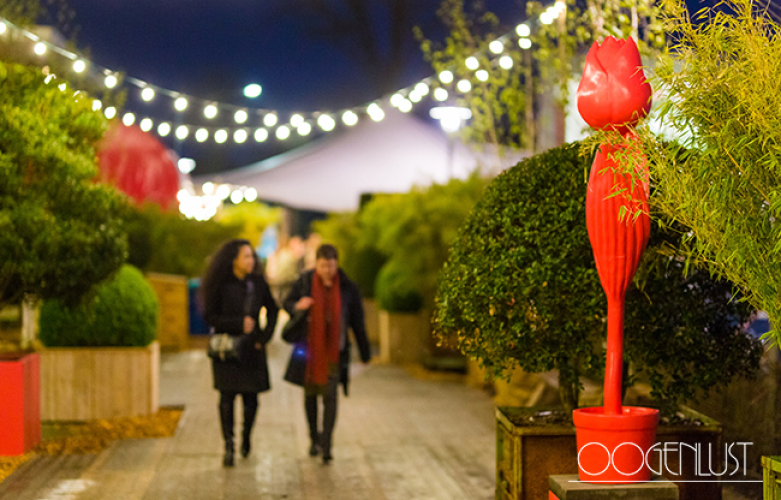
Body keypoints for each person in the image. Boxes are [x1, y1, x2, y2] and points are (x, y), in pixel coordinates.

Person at [282, 244, 371, 464]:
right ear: (316, 263)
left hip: (335, 352)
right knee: (310, 396)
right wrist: (298, 306)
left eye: (330, 266)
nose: (326, 270)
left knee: (330, 396)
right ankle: (314, 438)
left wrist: (365, 352)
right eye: (322, 266)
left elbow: (358, 321)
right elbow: (286, 303)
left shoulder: (348, 287)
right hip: (308, 351)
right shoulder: (305, 282)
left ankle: (327, 443)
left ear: (336, 264)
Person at [201, 239, 279, 467]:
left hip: (252, 349)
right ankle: (229, 445)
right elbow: (210, 316)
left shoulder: (258, 283)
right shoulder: (221, 283)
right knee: (226, 398)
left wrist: (264, 337)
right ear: (233, 259)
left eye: (252, 256)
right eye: (246, 256)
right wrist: (236, 324)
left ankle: (246, 437)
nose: (251, 260)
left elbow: (273, 310)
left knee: (251, 398)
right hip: (227, 350)